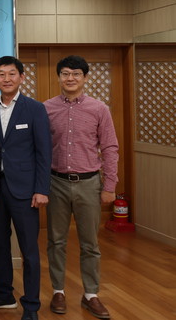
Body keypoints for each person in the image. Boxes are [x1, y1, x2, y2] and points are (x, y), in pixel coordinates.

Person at [44, 55, 118, 320]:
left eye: (76, 74)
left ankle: (91, 295)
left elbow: (110, 147)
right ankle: (58, 291)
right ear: (59, 77)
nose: (70, 78)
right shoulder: (46, 108)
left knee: (90, 243)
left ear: (85, 78)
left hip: (89, 183)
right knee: (56, 241)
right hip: (55, 183)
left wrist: (109, 185)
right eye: (65, 73)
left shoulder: (99, 109)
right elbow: (39, 149)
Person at [0, 56, 52, 320]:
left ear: (22, 77)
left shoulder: (35, 109)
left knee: (29, 250)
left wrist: (42, 189)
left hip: (26, 191)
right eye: (1, 74)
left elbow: (44, 152)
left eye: (12, 74)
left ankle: (31, 305)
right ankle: (3, 294)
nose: (7, 79)